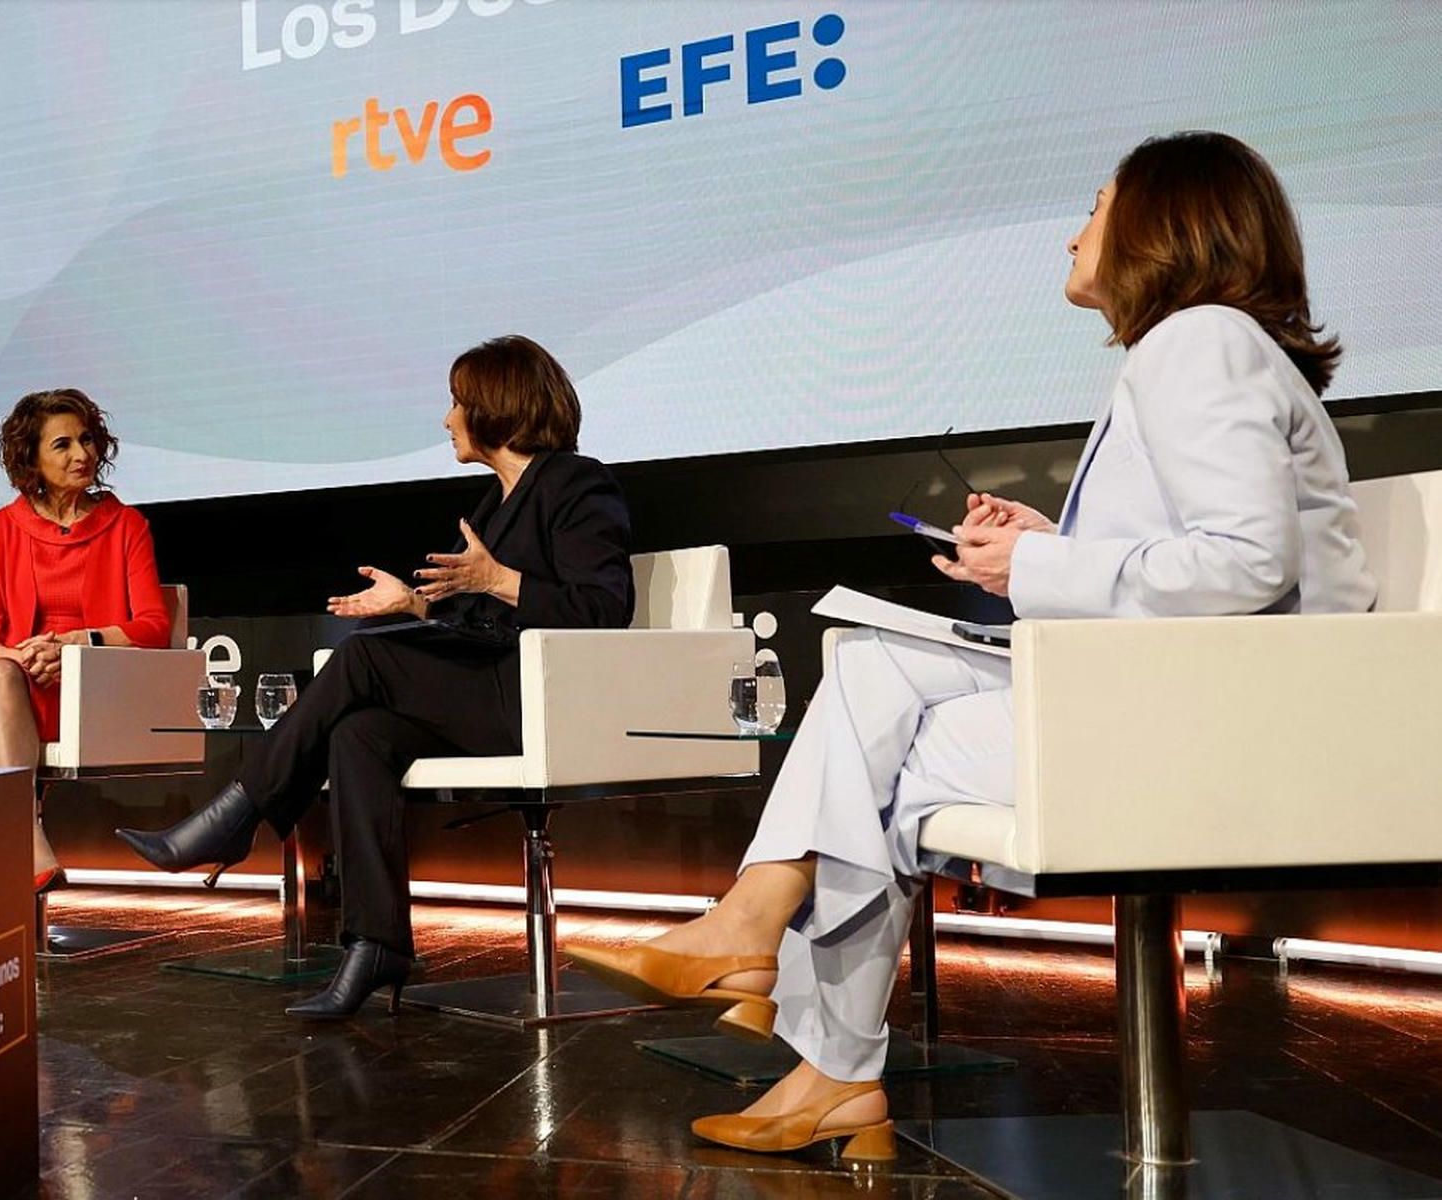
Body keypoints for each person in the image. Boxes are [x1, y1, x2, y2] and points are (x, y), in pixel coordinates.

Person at [569, 131, 1377, 1162]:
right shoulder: (1204, 345)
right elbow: (1211, 556)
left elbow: (1243, 565)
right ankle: (789, 989)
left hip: (1228, 717)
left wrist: (1031, 575)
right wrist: (1049, 545)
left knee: (876, 759)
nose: (1075, 233)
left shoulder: (1197, 340)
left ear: (1161, 225)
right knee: (869, 667)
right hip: (1197, 693)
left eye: (1095, 206)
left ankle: (804, 1012)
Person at [117, 335, 634, 1018]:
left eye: (456, 403)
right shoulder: (492, 506)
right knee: (360, 734)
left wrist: (499, 579)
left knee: (362, 657)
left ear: (494, 407)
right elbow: (476, 624)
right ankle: (375, 944)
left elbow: (606, 607)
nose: (447, 419)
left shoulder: (576, 483)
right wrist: (416, 603)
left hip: (543, 701)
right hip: (492, 690)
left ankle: (236, 816)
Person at [0, 388, 171, 895]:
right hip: (8, 677)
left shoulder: (126, 526)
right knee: (1, 675)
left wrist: (76, 644)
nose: (82, 455)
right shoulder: (0, 530)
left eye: (88, 440)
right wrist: (24, 656)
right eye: (63, 444)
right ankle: (28, 836)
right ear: (30, 457)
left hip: (83, 691)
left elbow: (154, 625)